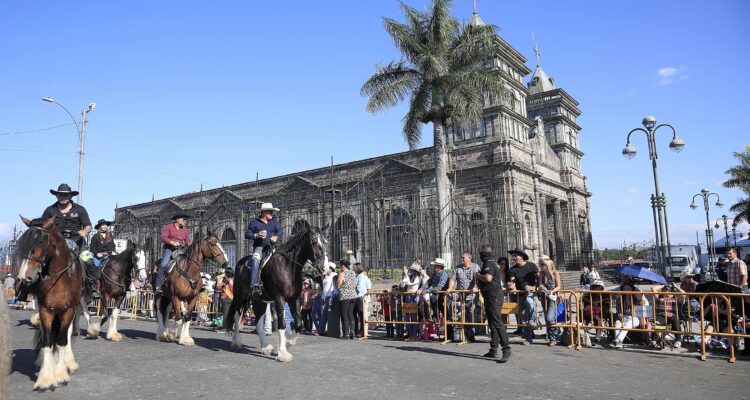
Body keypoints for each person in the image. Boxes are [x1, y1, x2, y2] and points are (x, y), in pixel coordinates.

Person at [38, 183, 94, 298]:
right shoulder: (50, 210)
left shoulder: (80, 209)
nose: (63, 197)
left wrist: (85, 231)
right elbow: (42, 225)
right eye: (60, 195)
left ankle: (92, 288)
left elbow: (88, 225)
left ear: (70, 196)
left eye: (66, 195)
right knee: (38, 260)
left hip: (78, 243)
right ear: (57, 196)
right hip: (56, 244)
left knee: (90, 262)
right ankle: (28, 288)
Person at [476, 245, 511, 363]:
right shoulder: (490, 263)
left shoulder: (489, 263)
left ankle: (506, 349)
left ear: (484, 254)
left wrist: (478, 275)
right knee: (492, 323)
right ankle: (493, 349)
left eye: (482, 253)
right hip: (490, 296)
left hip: (493, 296)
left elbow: (488, 278)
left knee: (497, 322)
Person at [244, 203, 283, 295]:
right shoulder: (254, 222)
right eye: (270, 211)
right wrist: (256, 235)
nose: (272, 213)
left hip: (273, 247)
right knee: (256, 259)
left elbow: (280, 231)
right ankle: (254, 285)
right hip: (260, 247)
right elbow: (247, 234)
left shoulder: (274, 222)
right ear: (264, 212)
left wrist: (276, 237)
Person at [507, 248, 540, 344]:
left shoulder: (531, 266)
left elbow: (538, 278)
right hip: (520, 294)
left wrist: (534, 287)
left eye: (515, 256)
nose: (513, 258)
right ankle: (528, 338)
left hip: (530, 293)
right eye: (513, 256)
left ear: (522, 257)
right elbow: (512, 281)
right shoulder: (513, 269)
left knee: (529, 303)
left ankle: (532, 319)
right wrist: (511, 285)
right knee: (523, 316)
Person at [446, 252, 480, 342]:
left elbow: (477, 279)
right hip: (460, 292)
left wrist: (476, 287)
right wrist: (450, 288)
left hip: (471, 294)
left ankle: (471, 335)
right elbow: (453, 278)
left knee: (470, 313)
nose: (461, 259)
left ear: (469, 258)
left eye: (463, 257)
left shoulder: (475, 267)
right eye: (461, 258)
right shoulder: (457, 267)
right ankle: (451, 317)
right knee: (448, 298)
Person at [155, 213, 192, 295]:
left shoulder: (185, 229)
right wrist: (172, 242)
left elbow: (187, 240)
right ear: (177, 219)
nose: (185, 221)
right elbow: (163, 237)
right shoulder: (169, 227)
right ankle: (158, 285)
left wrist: (188, 242)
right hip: (169, 248)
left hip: (180, 249)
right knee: (164, 264)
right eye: (184, 219)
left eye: (186, 220)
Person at [610, 280, 646, 349]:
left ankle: (617, 340)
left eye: (628, 289)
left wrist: (638, 302)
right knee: (617, 324)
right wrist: (620, 315)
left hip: (635, 318)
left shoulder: (636, 299)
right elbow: (618, 311)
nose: (626, 290)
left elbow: (639, 312)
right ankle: (619, 343)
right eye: (624, 289)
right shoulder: (620, 299)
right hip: (623, 317)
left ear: (632, 289)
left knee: (628, 323)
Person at [538, 257, 562, 346]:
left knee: (549, 318)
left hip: (552, 297)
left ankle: (556, 330)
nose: (540, 266)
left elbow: (559, 286)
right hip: (544, 297)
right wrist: (540, 287)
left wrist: (552, 291)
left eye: (542, 265)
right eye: (540, 265)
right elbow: (540, 284)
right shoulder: (541, 274)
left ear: (547, 265)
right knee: (547, 318)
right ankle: (552, 339)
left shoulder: (555, 273)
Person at [418, 258, 449, 322]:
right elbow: (429, 282)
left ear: (440, 267)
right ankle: (435, 317)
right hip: (437, 294)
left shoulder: (444, 274)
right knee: (433, 298)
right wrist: (421, 289)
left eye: (436, 266)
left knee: (445, 311)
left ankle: (448, 320)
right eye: (435, 266)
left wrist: (427, 290)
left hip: (444, 295)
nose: (434, 267)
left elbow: (439, 287)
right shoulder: (434, 274)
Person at [401, 262, 423, 341]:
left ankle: (414, 335)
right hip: (407, 296)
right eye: (411, 270)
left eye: (413, 270)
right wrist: (404, 275)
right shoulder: (409, 276)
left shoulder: (418, 278)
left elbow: (410, 284)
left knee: (413, 317)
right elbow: (403, 284)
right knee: (406, 316)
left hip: (414, 297)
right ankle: (410, 333)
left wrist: (406, 275)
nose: (412, 271)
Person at [336, 259, 358, 340]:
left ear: (342, 265)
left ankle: (346, 334)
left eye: (339, 265)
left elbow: (338, 285)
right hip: (353, 295)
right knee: (350, 314)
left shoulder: (342, 273)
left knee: (344, 314)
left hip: (345, 296)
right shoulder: (353, 273)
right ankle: (352, 333)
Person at [315, 262, 336, 336]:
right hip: (324, 298)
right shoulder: (326, 276)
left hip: (329, 297)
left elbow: (333, 287)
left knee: (325, 314)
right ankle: (322, 330)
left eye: (326, 268)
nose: (324, 269)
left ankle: (321, 330)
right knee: (324, 314)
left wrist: (330, 297)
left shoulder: (334, 275)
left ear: (331, 269)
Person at [355, 264, 372, 337]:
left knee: (363, 315)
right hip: (363, 298)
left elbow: (359, 287)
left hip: (361, 297)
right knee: (363, 315)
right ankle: (364, 331)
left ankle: (364, 331)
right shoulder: (365, 277)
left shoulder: (361, 276)